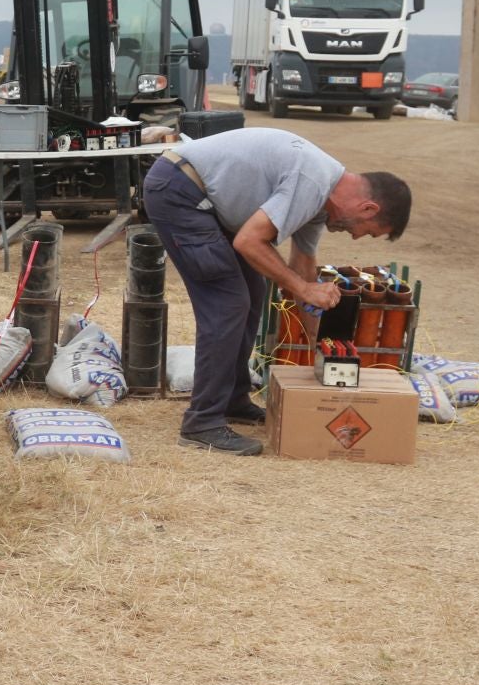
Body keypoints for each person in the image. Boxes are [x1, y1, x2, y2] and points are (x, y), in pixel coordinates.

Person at [140, 127, 411, 456]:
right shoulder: (312, 182)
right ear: (368, 209)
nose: (355, 238)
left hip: (207, 201)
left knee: (254, 292)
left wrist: (317, 341)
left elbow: (302, 265)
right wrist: (303, 289)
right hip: (180, 192)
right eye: (366, 232)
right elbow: (249, 241)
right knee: (228, 302)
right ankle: (202, 423)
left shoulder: (322, 201)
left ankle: (231, 399)